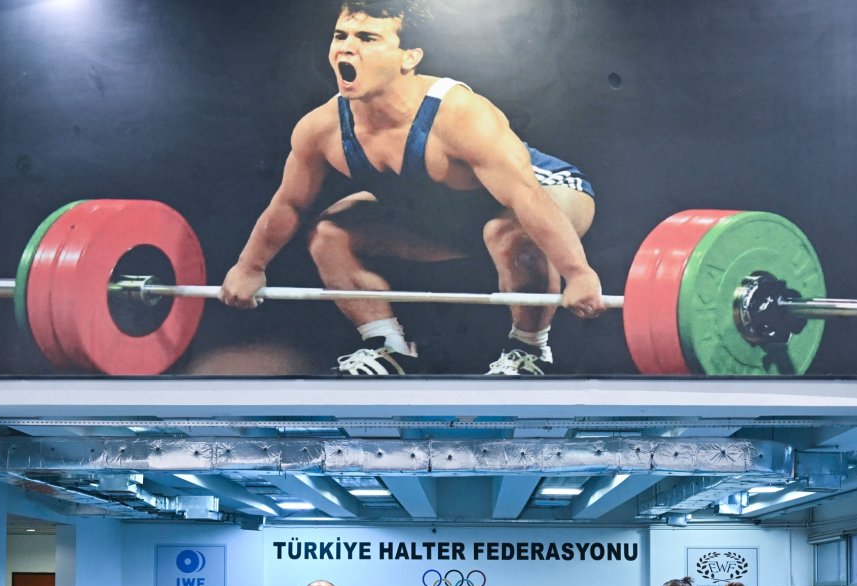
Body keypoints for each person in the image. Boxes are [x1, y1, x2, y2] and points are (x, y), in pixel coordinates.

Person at [218, 0, 606, 377]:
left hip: (546, 191)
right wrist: (250, 267)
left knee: (508, 230)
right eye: (341, 35)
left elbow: (526, 196)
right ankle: (387, 348)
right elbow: (289, 205)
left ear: (409, 57)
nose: (346, 47)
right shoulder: (321, 129)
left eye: (368, 38)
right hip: (444, 220)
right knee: (328, 233)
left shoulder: (459, 115)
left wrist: (579, 273)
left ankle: (529, 350)